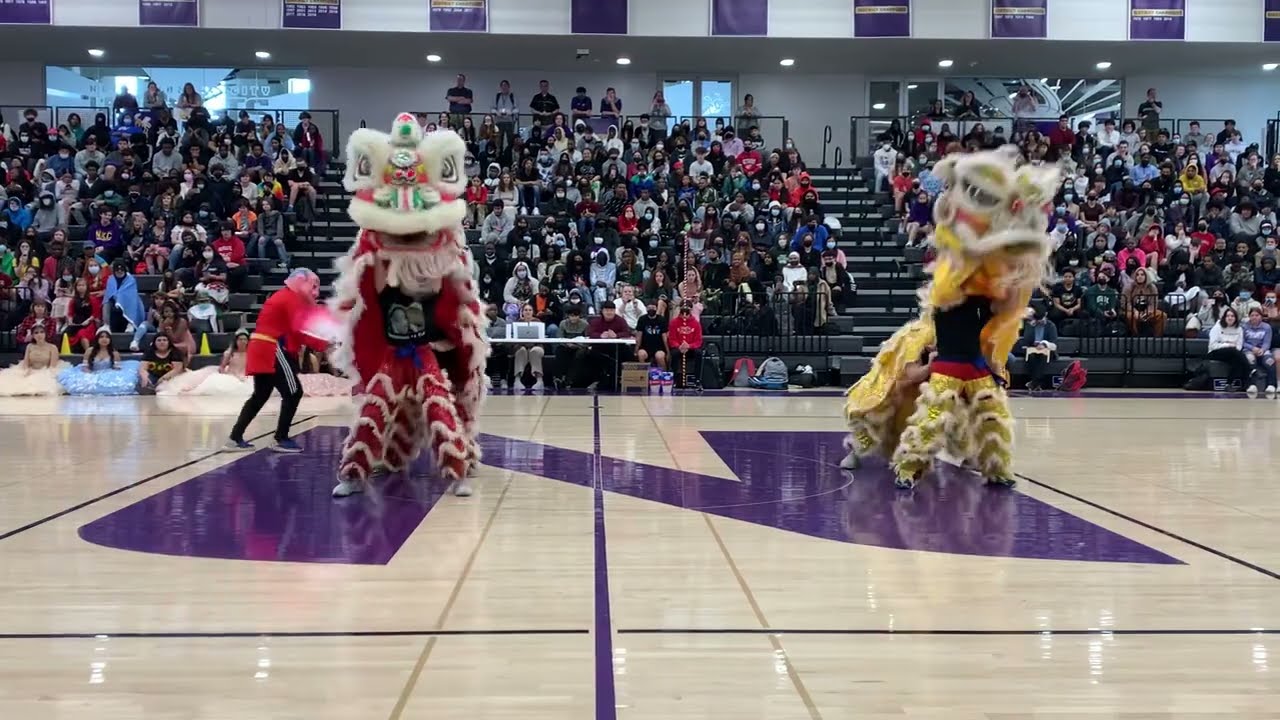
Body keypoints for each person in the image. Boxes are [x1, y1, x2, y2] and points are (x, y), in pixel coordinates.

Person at [225, 269, 327, 453]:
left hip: (261, 345)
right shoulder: (291, 298)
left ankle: (234, 438)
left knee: (261, 395)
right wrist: (324, 344)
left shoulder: (285, 296)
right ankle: (280, 438)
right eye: (313, 286)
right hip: (271, 346)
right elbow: (300, 329)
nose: (314, 291)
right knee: (294, 392)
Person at [57, 328, 141, 396]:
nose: (104, 339)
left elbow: (117, 369)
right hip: (92, 372)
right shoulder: (90, 351)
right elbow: (85, 367)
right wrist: (91, 375)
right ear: (97, 339)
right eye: (101, 337)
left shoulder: (114, 353)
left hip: (109, 374)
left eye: (107, 337)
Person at [0, 323, 66, 396]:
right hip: (31, 369)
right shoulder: (30, 346)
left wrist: (42, 374)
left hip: (45, 372)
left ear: (45, 334)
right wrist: (26, 371)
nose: (39, 335)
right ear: (33, 335)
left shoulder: (52, 347)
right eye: (36, 333)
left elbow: (52, 367)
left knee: (38, 384)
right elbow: (26, 363)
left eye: (42, 332)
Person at [587, 300, 634, 391]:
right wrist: (600, 335)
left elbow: (627, 332)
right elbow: (590, 333)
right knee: (590, 354)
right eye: (607, 310)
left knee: (628, 353)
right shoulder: (596, 321)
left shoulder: (620, 320)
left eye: (611, 310)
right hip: (601, 348)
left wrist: (616, 335)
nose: (609, 312)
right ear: (602, 311)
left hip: (617, 347)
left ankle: (623, 380)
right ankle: (598, 380)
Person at [1016, 307, 1059, 391]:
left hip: (1048, 350)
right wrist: (1034, 344)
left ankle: (1034, 382)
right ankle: (1037, 383)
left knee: (1042, 357)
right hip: (1033, 349)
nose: (1039, 321)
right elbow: (1026, 340)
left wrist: (1044, 344)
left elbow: (1054, 344)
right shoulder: (1030, 325)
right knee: (1032, 356)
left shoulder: (1051, 326)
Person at [668, 300, 703, 389]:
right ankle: (675, 380)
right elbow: (672, 339)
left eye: (686, 313)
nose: (684, 315)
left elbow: (698, 340)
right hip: (679, 347)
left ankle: (697, 380)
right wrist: (679, 346)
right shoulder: (674, 323)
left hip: (690, 348)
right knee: (674, 354)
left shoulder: (696, 324)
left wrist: (689, 346)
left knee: (699, 353)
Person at [1242, 307, 1276, 397]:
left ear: (1261, 316)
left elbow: (1267, 342)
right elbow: (1242, 342)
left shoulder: (1267, 327)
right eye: (1252, 315)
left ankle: (1271, 385)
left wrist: (1262, 350)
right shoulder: (1245, 327)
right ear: (1249, 317)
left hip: (1263, 349)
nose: (1254, 317)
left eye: (1257, 315)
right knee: (1250, 359)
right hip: (1249, 350)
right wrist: (1252, 348)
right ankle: (1252, 385)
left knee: (1270, 361)